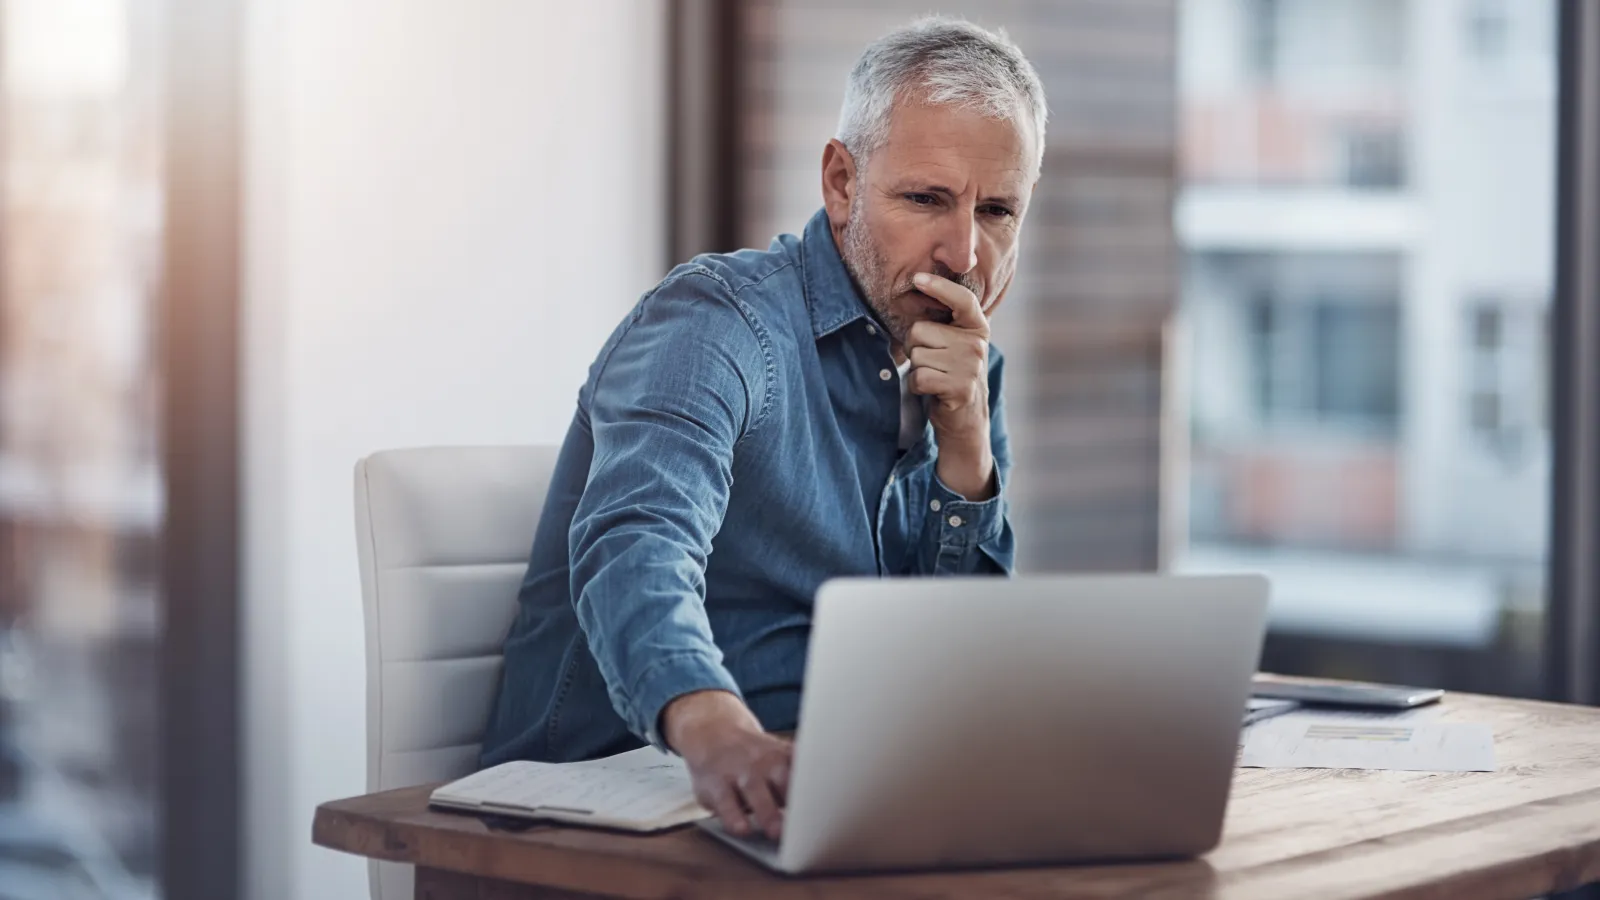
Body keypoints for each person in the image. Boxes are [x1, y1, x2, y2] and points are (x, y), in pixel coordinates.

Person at [481, 16, 1047, 842]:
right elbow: (638, 543)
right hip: (618, 814)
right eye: (926, 198)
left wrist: (965, 455)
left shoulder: (965, 371)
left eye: (997, 211)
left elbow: (952, 674)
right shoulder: (718, 322)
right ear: (842, 182)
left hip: (830, 807)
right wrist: (718, 731)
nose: (964, 252)